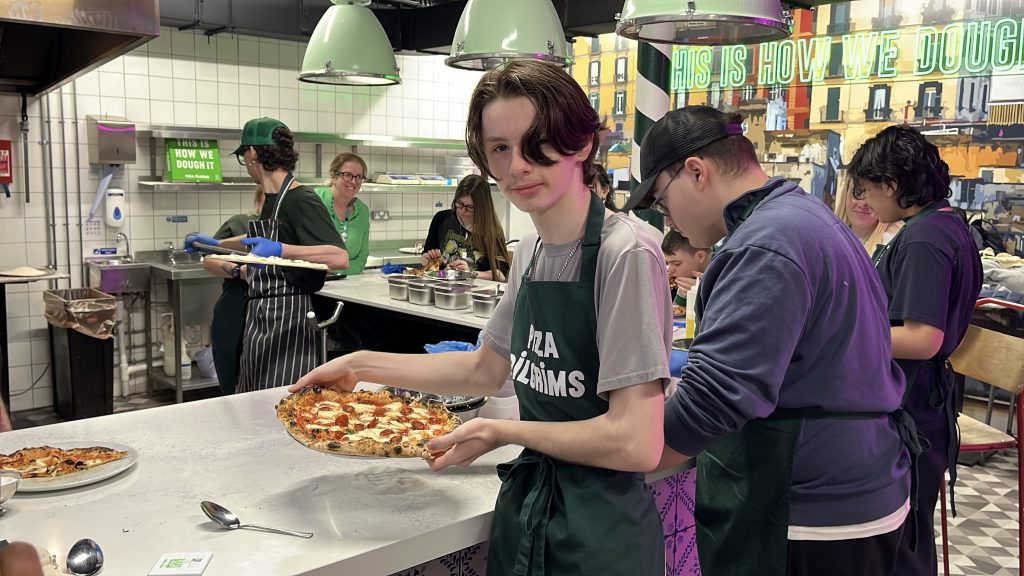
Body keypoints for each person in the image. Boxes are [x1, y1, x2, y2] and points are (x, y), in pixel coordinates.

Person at [292, 59, 671, 576]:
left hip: (600, 531)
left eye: (537, 143)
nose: (516, 166)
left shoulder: (624, 253)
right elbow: (484, 370)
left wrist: (507, 432)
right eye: (500, 148)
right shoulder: (534, 246)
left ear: (581, 144)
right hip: (530, 509)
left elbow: (637, 442)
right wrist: (360, 366)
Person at [623, 105, 912, 576]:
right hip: (860, 490)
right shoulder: (805, 217)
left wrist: (616, 447)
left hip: (807, 514)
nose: (668, 218)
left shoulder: (766, 243)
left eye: (660, 200)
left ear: (696, 172)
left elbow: (709, 406)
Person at [848, 124, 982, 576]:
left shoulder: (926, 238)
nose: (865, 202)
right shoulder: (943, 224)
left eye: (868, 190)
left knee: (901, 542)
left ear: (892, 185)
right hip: (920, 400)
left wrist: (842, 333)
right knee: (908, 535)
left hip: (913, 405)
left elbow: (924, 339)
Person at [186, 117, 347, 393]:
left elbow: (338, 256)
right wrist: (216, 243)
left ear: (252, 154)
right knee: (254, 401)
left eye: (243, 156)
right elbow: (260, 240)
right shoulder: (273, 199)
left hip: (289, 323)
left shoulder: (300, 199)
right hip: (263, 319)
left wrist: (282, 249)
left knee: (280, 404)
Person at [203, 186, 265, 395]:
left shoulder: (294, 229)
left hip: (273, 312)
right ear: (259, 200)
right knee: (232, 381)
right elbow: (209, 259)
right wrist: (239, 271)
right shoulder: (239, 224)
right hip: (237, 307)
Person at [421, 174, 511, 281]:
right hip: (444, 288)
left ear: (482, 206)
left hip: (476, 291)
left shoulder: (492, 231)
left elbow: (501, 274)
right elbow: (425, 259)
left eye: (470, 207)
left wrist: (470, 273)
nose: (463, 210)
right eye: (460, 204)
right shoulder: (442, 219)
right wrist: (428, 260)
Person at [315, 153, 371, 276]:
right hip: (309, 283)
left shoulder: (362, 211)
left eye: (359, 177)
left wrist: (336, 271)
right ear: (334, 176)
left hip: (344, 284)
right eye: (347, 175)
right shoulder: (315, 200)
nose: (353, 181)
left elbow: (361, 260)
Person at [834, 178, 902, 254]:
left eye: (873, 195)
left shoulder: (894, 241)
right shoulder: (829, 238)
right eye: (858, 193)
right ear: (845, 195)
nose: (863, 203)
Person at [661, 229, 709, 313]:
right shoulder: (688, 277)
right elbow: (678, 311)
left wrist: (705, 291)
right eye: (668, 263)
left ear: (700, 256)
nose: (670, 270)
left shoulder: (725, 267)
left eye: (676, 263)